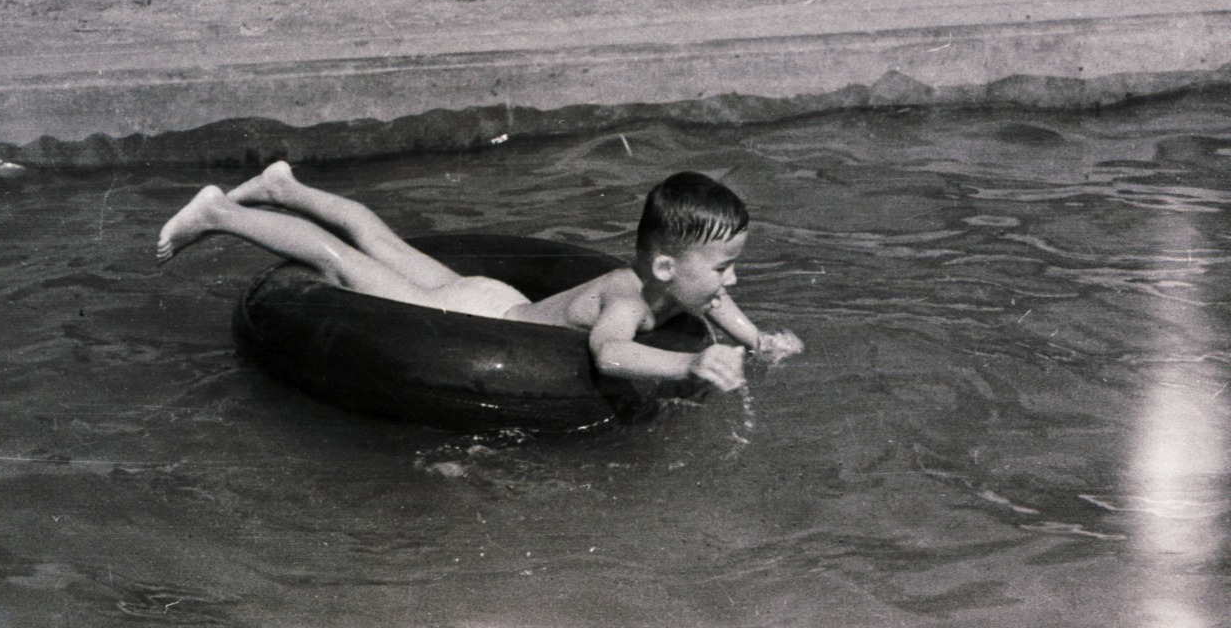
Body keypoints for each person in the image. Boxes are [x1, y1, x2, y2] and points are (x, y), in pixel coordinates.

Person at [157, 163, 803, 392]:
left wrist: (756, 341)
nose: (732, 281)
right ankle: (220, 212)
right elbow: (609, 356)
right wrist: (688, 368)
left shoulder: (681, 284)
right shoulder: (628, 299)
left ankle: (283, 185)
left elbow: (715, 303)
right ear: (665, 267)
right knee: (342, 262)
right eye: (723, 266)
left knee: (380, 239)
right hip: (478, 319)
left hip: (500, 304)